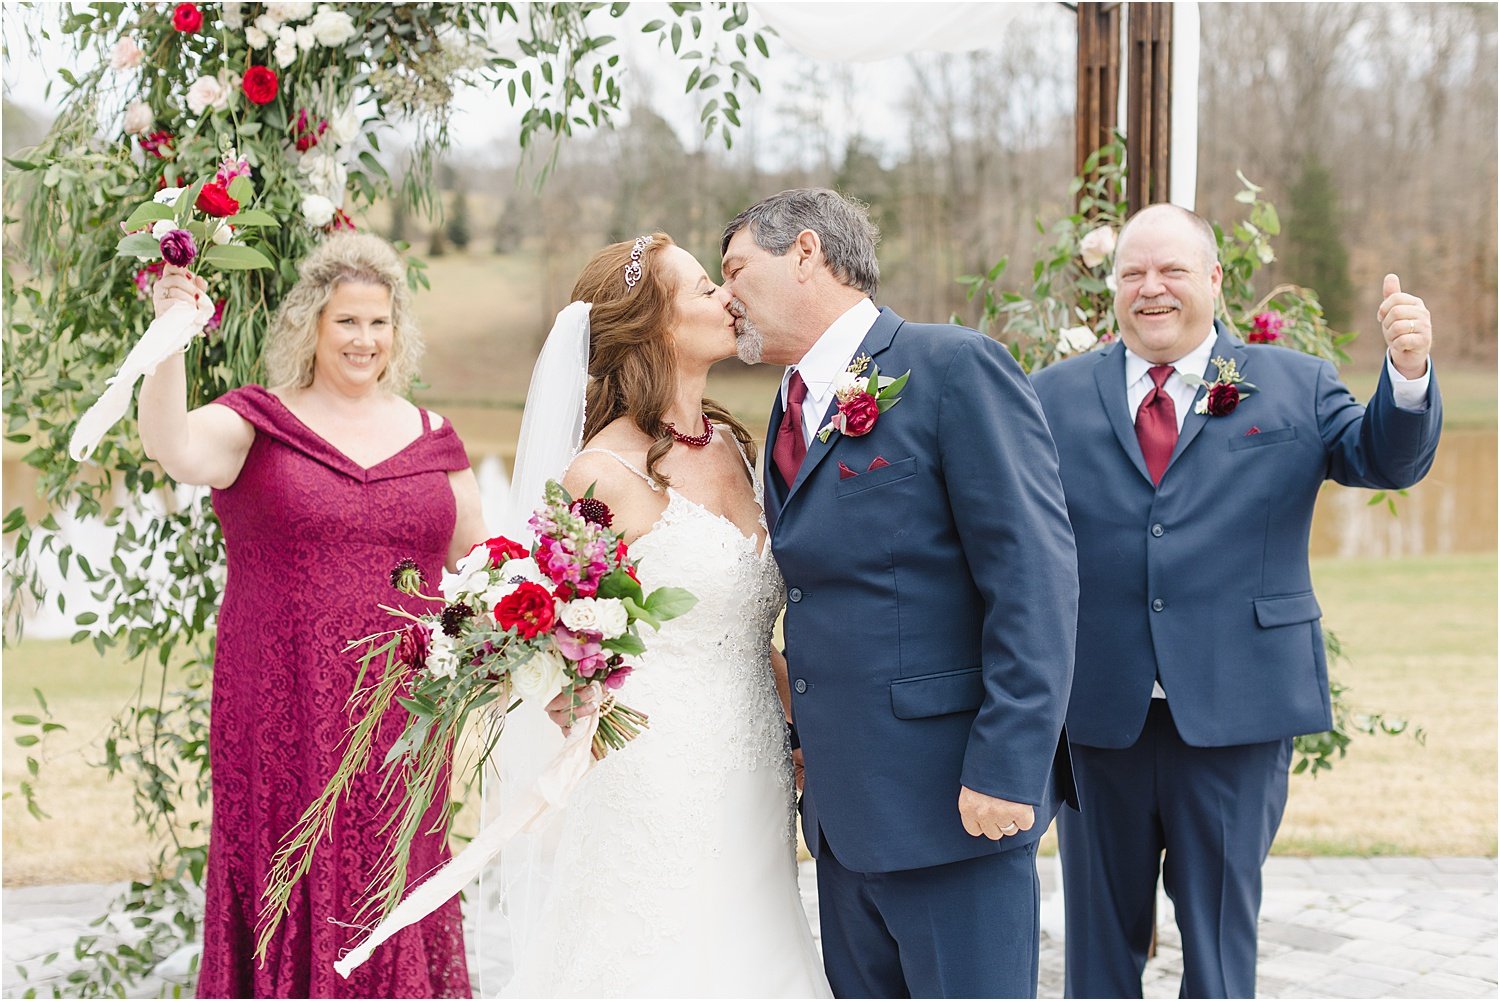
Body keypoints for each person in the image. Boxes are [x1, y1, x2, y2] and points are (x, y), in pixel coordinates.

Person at [1030, 203, 1442, 998]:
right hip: (1097, 711)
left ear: (1214, 280)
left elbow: (1381, 459)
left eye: (1173, 270)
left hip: (1236, 708)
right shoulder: (1051, 396)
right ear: (1114, 287)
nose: (1152, 289)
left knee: (1220, 949)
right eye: (1133, 273)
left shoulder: (1294, 384)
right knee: (1096, 952)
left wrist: (1409, 374)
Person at [720, 188, 1080, 999]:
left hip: (958, 805)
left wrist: (1010, 764)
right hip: (844, 822)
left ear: (806, 253)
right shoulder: (788, 405)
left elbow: (1035, 575)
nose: (725, 296)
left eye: (736, 269)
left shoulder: (953, 367)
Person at [139, 233, 483, 998]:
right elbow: (173, 446)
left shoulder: (434, 439)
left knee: (391, 885)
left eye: (379, 323)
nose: (365, 339)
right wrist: (168, 344)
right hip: (282, 715)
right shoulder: (258, 424)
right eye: (347, 322)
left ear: (398, 332)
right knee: (289, 876)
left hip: (403, 722)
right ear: (311, 326)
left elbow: (489, 566)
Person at [504, 233, 831, 997]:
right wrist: (572, 692)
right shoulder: (599, 474)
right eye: (702, 287)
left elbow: (743, 628)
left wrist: (800, 724)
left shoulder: (738, 447)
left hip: (755, 759)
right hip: (651, 770)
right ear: (653, 326)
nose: (727, 295)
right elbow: (538, 632)